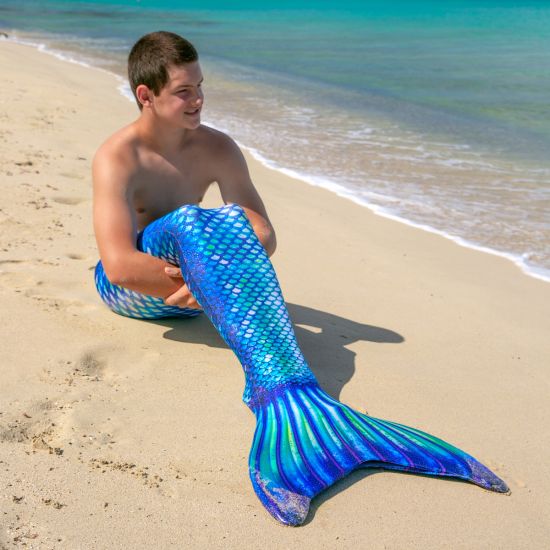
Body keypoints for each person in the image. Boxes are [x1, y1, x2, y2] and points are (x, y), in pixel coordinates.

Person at [93, 31, 276, 315]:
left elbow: (262, 232)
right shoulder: (118, 157)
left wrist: (212, 281)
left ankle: (274, 359)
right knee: (188, 220)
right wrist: (208, 286)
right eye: (183, 91)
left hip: (195, 296)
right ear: (146, 96)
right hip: (128, 290)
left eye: (199, 86)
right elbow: (118, 266)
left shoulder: (219, 148)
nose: (198, 99)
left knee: (227, 221)